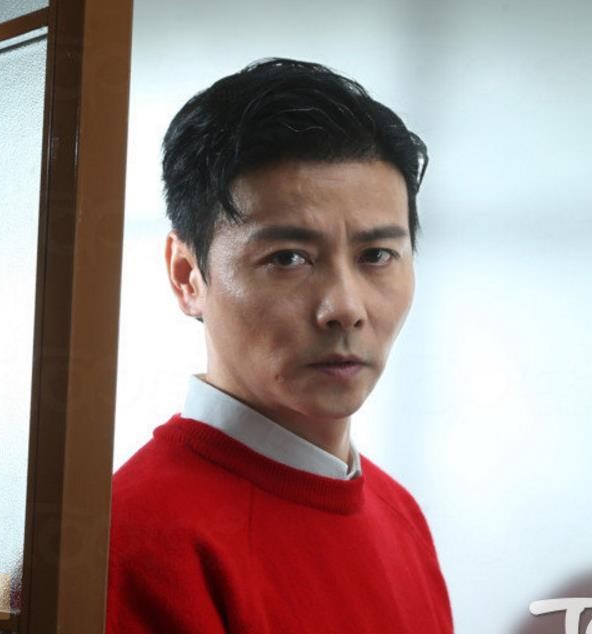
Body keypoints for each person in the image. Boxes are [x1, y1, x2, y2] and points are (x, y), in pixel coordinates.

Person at [106, 58, 454, 633]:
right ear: (187, 276)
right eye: (288, 258)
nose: (345, 307)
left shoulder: (400, 515)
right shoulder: (128, 544)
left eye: (376, 255)